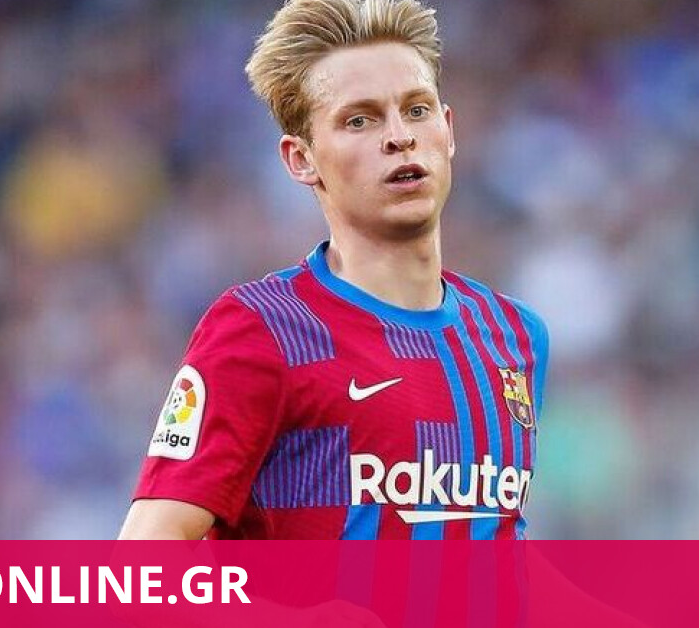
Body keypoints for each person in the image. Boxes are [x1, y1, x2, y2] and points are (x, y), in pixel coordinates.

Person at [119, 0, 548, 540]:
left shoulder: (515, 336)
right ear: (301, 159)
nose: (399, 136)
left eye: (417, 110)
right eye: (359, 120)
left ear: (448, 129)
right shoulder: (260, 330)